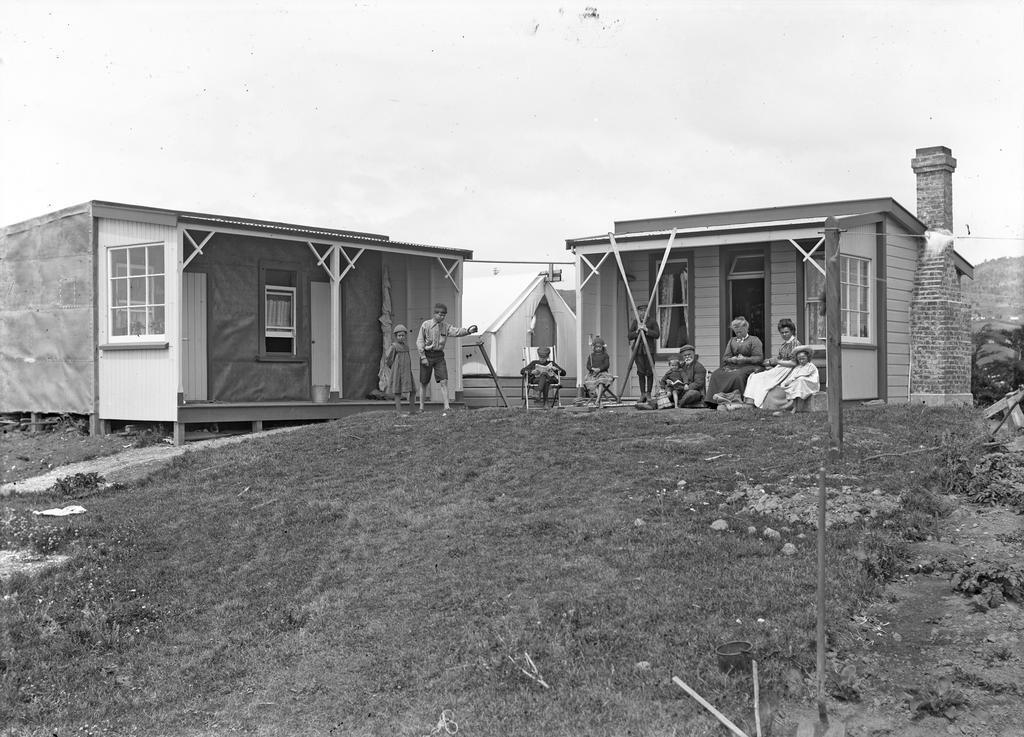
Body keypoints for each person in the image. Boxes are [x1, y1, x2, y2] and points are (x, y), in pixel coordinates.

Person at [416, 303, 477, 415]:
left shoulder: (446, 326)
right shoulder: (426, 325)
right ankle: (421, 407)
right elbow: (419, 341)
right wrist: (423, 356)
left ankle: (447, 407)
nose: (442, 317)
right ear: (435, 314)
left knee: (444, 381)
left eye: (444, 315)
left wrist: (468, 331)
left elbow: (456, 331)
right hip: (427, 355)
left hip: (439, 356)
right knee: (424, 382)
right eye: (440, 314)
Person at [706, 316, 764, 408]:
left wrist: (745, 359)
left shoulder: (754, 340)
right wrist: (732, 359)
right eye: (736, 332)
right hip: (733, 365)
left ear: (746, 328)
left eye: (740, 331)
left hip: (750, 366)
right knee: (716, 374)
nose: (738, 334)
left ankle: (737, 400)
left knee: (738, 376)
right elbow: (725, 358)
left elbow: (759, 358)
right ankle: (713, 402)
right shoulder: (732, 340)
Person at [742, 318, 801, 408]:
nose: (784, 334)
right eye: (782, 333)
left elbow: (795, 363)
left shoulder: (796, 344)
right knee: (754, 376)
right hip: (780, 368)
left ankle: (752, 403)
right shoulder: (784, 345)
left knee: (759, 378)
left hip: (788, 370)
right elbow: (780, 359)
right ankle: (750, 401)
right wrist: (770, 362)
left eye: (786, 332)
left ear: (792, 331)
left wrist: (777, 362)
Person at [770, 345, 820, 415]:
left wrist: (792, 380)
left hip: (810, 383)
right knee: (795, 383)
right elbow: (793, 375)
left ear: (807, 358)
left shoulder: (810, 366)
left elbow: (803, 374)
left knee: (800, 381)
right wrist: (788, 381)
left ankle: (797, 408)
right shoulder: (798, 367)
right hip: (800, 382)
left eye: (803, 358)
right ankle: (795, 405)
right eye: (799, 359)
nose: (801, 361)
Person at [627, 305, 661, 403]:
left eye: (644, 311)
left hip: (649, 350)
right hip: (638, 351)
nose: (642, 312)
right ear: (638, 312)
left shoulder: (652, 321)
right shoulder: (635, 322)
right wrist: (637, 331)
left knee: (650, 372)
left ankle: (649, 394)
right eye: (640, 311)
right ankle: (642, 394)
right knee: (641, 372)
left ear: (647, 312)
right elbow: (629, 336)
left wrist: (647, 330)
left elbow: (657, 334)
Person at [385, 324, 417, 415]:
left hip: (407, 372)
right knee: (397, 391)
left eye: (403, 335)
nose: (401, 337)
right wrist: (393, 367)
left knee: (413, 390)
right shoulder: (394, 346)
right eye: (399, 335)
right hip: (397, 371)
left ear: (405, 336)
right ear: (395, 336)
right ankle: (399, 411)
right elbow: (389, 358)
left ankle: (412, 410)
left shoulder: (406, 347)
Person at [583, 336, 614, 404]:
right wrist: (592, 369)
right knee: (594, 384)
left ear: (602, 347)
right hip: (593, 374)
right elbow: (588, 365)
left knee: (600, 383)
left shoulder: (605, 355)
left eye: (600, 347)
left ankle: (597, 400)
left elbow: (606, 365)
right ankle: (599, 401)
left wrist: (599, 369)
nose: (598, 348)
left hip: (602, 373)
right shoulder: (591, 356)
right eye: (596, 347)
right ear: (594, 347)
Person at [674, 344, 707, 408]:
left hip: (695, 392)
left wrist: (686, 387)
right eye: (685, 355)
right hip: (681, 390)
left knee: (691, 393)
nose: (687, 357)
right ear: (682, 357)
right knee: (669, 391)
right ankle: (655, 404)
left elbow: (699, 383)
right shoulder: (681, 366)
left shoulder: (699, 367)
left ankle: (678, 404)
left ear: (693, 354)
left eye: (689, 355)